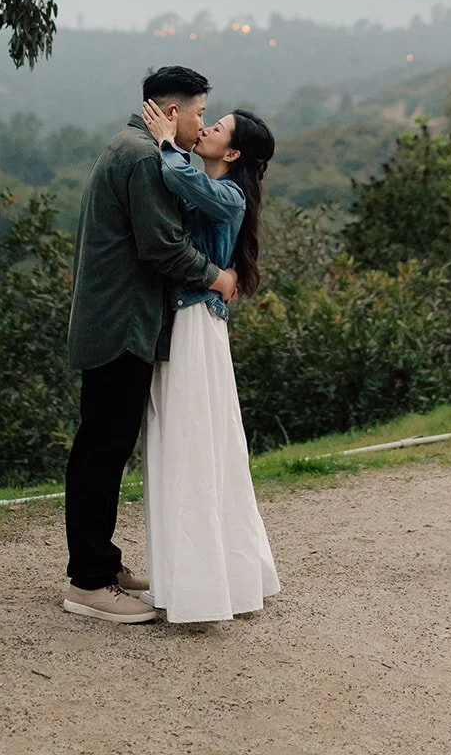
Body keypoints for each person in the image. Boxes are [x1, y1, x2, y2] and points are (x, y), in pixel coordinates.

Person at [63, 66, 239, 624]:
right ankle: (88, 582)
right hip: (121, 323)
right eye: (198, 113)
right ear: (170, 110)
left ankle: (103, 565)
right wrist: (217, 277)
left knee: (106, 444)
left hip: (117, 318)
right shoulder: (143, 157)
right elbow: (162, 246)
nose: (201, 123)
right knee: (103, 447)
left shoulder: (134, 146)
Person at [140, 99, 281, 623]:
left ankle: (205, 585)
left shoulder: (230, 194)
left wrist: (165, 144)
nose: (206, 128)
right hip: (191, 318)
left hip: (197, 322)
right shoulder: (219, 188)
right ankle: (202, 577)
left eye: (216, 127)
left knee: (195, 436)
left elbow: (189, 185)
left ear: (233, 150)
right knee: (190, 437)